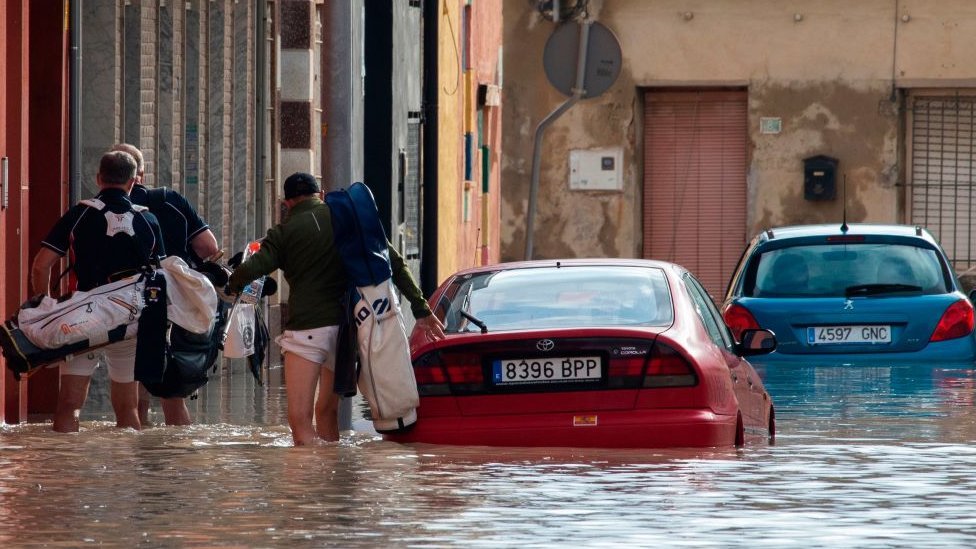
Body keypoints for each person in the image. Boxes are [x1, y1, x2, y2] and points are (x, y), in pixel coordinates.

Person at [226, 172, 446, 446]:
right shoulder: (349, 220)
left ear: (288, 203)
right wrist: (421, 308)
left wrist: (231, 285)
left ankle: (311, 483)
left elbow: (254, 268)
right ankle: (333, 476)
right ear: (320, 193)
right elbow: (395, 263)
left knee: (299, 419)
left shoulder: (284, 233)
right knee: (326, 412)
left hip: (307, 333)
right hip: (346, 333)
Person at [30, 150, 166, 432]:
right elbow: (160, 277)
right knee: (128, 409)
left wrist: (44, 307)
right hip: (128, 319)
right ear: (133, 182)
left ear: (98, 178)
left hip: (83, 319)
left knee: (69, 404)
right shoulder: (148, 221)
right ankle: (128, 473)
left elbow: (41, 266)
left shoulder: (79, 215)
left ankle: (68, 470)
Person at [111, 143, 221, 426]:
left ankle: (139, 455)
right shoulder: (168, 200)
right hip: (173, 303)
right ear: (141, 174)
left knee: (135, 387)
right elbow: (209, 246)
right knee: (172, 394)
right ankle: (176, 459)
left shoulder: (103, 209)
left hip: (124, 303)